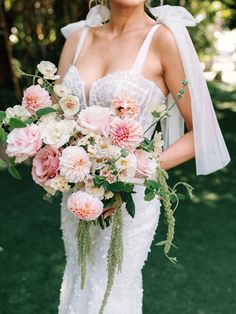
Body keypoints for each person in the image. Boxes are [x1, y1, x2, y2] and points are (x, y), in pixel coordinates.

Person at [56, 1, 230, 313]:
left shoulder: (162, 39)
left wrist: (131, 169)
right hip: (77, 194)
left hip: (129, 198)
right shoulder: (77, 39)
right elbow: (56, 120)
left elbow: (201, 132)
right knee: (78, 279)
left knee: (112, 293)